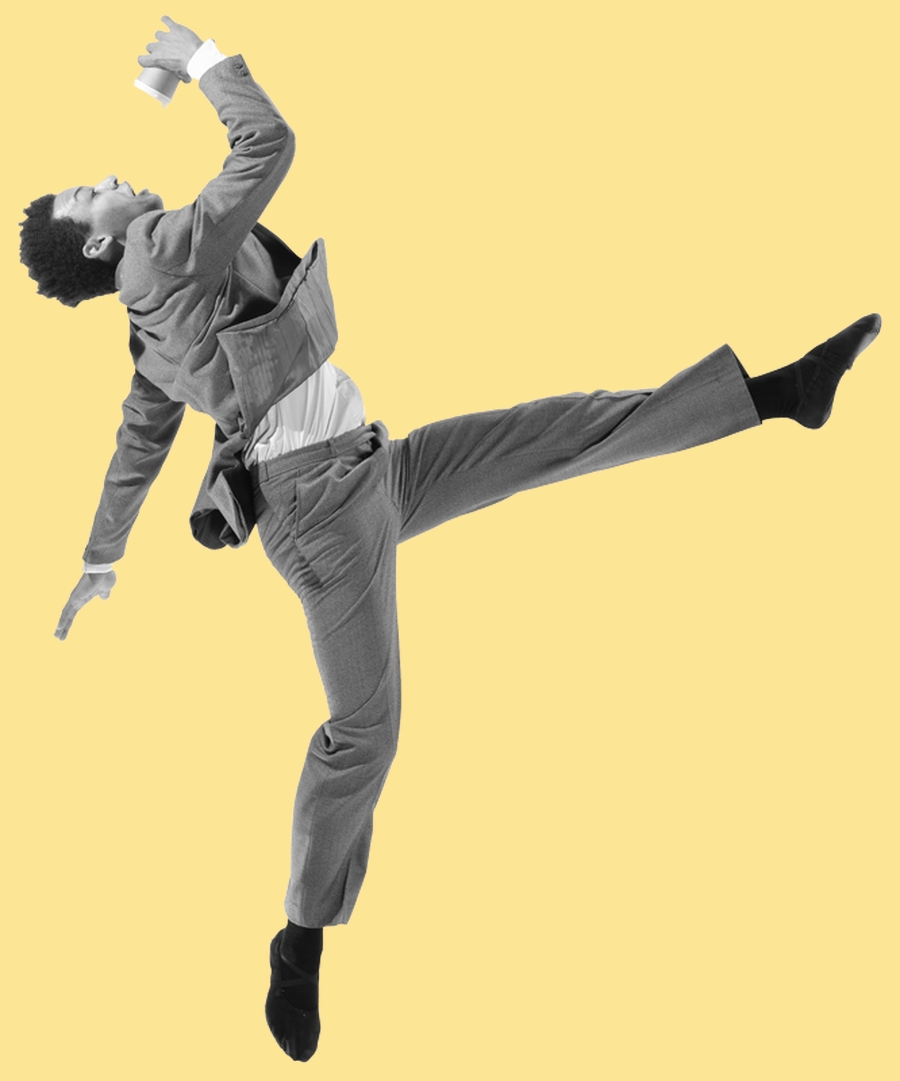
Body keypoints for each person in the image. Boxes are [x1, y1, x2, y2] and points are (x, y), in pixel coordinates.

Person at [18, 17, 882, 1064]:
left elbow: (138, 442)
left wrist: (101, 558)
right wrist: (202, 60)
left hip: (373, 469)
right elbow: (266, 146)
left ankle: (779, 393)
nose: (108, 176)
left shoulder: (148, 333)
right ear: (101, 243)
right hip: (323, 517)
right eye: (89, 191)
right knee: (365, 730)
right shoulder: (156, 254)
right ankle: (300, 939)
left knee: (555, 432)